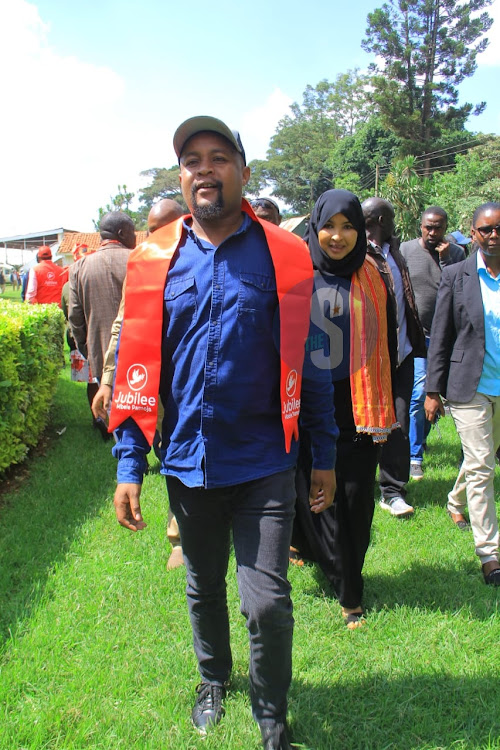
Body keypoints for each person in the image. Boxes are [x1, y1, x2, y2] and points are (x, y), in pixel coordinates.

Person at [107, 116, 337, 749]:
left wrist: (323, 452)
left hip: (264, 458)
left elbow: (309, 362)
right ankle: (213, 678)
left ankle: (272, 718)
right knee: (203, 585)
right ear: (181, 176)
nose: (203, 169)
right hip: (186, 461)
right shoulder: (153, 259)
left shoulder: (286, 256)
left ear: (242, 167)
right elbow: (135, 370)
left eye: (217, 157)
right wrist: (130, 464)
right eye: (191, 160)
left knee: (265, 602)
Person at [293, 189, 398, 629]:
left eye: (348, 226)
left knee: (355, 500)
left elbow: (389, 342)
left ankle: (343, 569)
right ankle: (347, 589)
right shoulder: (297, 275)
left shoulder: (373, 275)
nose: (337, 236)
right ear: (315, 226)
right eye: (329, 226)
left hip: (360, 404)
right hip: (308, 407)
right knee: (316, 496)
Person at [92, 198, 186, 568]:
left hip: (194, 379)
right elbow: (123, 324)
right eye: (152, 230)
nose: (158, 237)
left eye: (168, 228)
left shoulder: (206, 258)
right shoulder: (142, 264)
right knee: (168, 451)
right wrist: (107, 381)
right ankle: (180, 535)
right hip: (151, 378)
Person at [425, 202, 500, 587]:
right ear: (472, 233)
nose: (492, 235)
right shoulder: (456, 275)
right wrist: (433, 389)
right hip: (469, 386)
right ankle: (490, 553)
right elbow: (441, 336)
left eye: (498, 228)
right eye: (485, 229)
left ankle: (455, 500)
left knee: (479, 461)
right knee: (484, 464)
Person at [362, 198, 426, 518]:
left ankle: (392, 491)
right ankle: (359, 485)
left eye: (369, 220)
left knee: (398, 424)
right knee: (368, 426)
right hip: (371, 360)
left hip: (401, 355)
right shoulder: (359, 255)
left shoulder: (395, 253)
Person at [400, 207, 465, 480]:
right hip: (418, 337)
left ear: (445, 227)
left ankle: (424, 440)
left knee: (438, 397)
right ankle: (415, 456)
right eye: (428, 227)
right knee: (419, 396)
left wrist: (447, 259)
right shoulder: (405, 250)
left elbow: (461, 288)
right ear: (420, 226)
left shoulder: (457, 254)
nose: (432, 232)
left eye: (438, 227)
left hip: (448, 338)